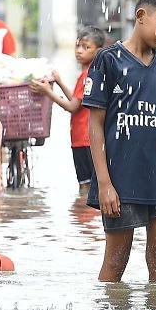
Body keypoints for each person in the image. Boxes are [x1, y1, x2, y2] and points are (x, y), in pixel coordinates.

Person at [83, 0, 156, 283]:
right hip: (122, 181)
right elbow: (94, 126)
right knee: (115, 264)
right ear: (141, 15)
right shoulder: (108, 61)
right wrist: (105, 184)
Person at [29, 25, 106, 195]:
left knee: (85, 187)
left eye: (86, 47)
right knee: (91, 185)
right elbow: (77, 99)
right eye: (77, 46)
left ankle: (84, 217)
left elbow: (72, 107)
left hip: (84, 139)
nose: (79, 51)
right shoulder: (91, 73)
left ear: (98, 51)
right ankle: (87, 218)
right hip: (88, 138)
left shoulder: (88, 76)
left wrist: (48, 92)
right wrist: (60, 82)